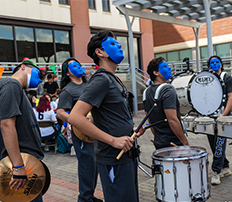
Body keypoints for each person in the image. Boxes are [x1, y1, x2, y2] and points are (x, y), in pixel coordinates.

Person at [68, 30, 145, 202]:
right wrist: (112, 140)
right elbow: (75, 117)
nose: (118, 45)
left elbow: (107, 116)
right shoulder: (101, 79)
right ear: (99, 52)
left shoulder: (113, 79)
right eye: (112, 44)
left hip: (126, 153)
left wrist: (129, 129)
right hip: (113, 157)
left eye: (118, 43)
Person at [56, 57, 102, 202]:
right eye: (74, 66)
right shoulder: (67, 91)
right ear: (67, 73)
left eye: (79, 64)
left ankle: (90, 196)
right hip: (81, 134)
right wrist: (78, 120)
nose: (79, 67)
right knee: (87, 168)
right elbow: (60, 112)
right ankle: (84, 198)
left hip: (96, 131)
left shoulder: (89, 84)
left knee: (95, 167)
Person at [0, 59, 45, 201]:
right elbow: (6, 124)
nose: (40, 80)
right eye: (39, 74)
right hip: (18, 166)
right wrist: (18, 167)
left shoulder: (16, 89)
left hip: (24, 164)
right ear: (23, 67)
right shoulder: (11, 84)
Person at [142, 57, 189, 149]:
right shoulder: (168, 89)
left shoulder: (146, 92)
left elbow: (150, 121)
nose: (169, 68)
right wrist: (185, 142)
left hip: (159, 142)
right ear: (156, 73)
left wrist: (159, 138)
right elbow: (172, 120)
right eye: (164, 67)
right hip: (173, 143)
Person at [207, 55, 232, 185]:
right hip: (210, 115)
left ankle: (216, 172)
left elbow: (231, 97)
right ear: (209, 66)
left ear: (221, 64)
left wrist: (224, 114)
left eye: (217, 62)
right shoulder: (207, 78)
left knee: (219, 143)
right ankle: (225, 166)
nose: (215, 64)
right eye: (212, 62)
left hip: (222, 116)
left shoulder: (226, 77)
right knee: (214, 143)